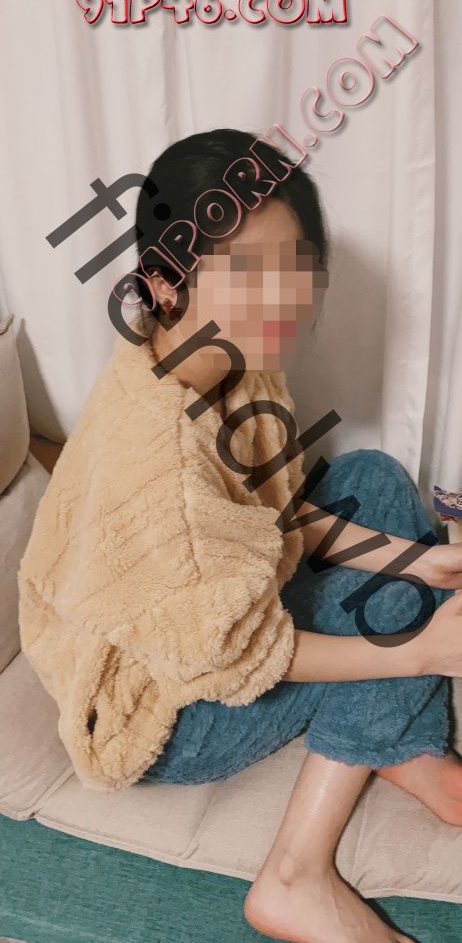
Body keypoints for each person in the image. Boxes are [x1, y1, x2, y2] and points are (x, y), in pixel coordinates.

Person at [131, 128, 462, 943]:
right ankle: (295, 875)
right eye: (246, 274)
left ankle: (399, 745)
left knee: (373, 477)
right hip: (170, 715)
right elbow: (235, 651)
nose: (283, 301)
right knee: (394, 613)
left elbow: (274, 513)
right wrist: (419, 651)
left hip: (219, 611)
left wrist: (420, 559)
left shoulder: (217, 359)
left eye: (294, 266)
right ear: (166, 283)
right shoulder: (152, 455)